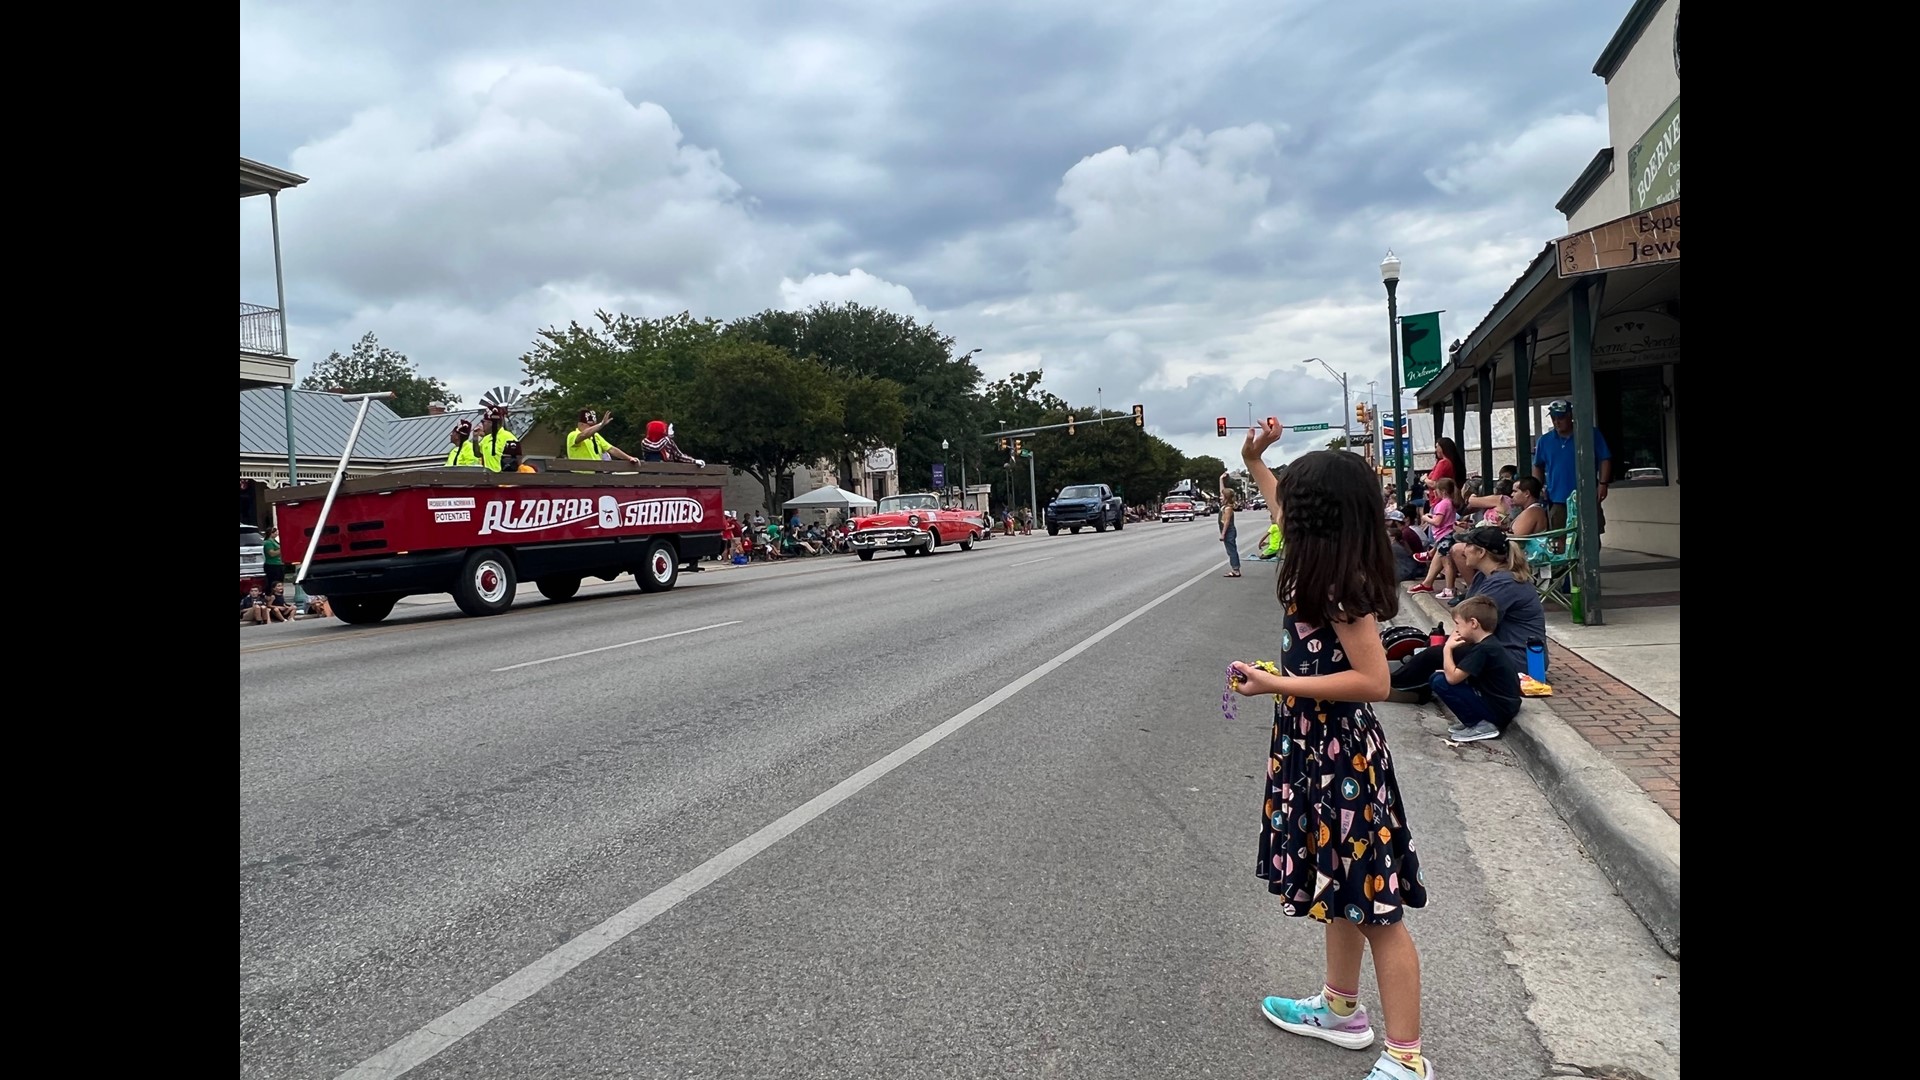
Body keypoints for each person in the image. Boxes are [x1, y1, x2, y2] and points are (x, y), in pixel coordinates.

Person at [1231, 421, 1432, 1080]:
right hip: (1312, 751)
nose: (1281, 499)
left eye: (1294, 494)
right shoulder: (1311, 554)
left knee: (1374, 905)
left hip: (1341, 760)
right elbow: (1278, 504)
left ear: (1318, 514)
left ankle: (1406, 1058)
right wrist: (1254, 459)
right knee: (1337, 889)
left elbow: (1374, 681)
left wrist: (1275, 683)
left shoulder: (1341, 585)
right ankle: (1341, 1010)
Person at [1391, 525, 1545, 700]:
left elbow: (1471, 624)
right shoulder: (1484, 576)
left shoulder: (1504, 583)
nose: (1462, 550)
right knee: (1434, 644)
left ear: (1481, 552)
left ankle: (1392, 687)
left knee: (1436, 653)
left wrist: (1448, 645)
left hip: (1517, 658)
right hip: (1497, 649)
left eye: (1467, 545)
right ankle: (1415, 687)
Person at [1431, 594, 1523, 744]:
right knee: (1437, 677)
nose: (1456, 630)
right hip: (1502, 705)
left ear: (1473, 623)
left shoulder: (1484, 649)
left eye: (1458, 624)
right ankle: (1476, 720)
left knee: (1441, 682)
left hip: (1498, 711)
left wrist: (1447, 649)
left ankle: (1481, 724)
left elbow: (1452, 679)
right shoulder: (1488, 644)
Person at [1532, 400, 1611, 534]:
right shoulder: (1544, 441)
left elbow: (1605, 458)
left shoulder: (1589, 434)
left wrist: (1603, 483)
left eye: (1561, 418)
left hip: (1587, 496)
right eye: (1553, 418)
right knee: (1559, 538)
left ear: (1570, 415)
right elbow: (1537, 465)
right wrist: (1538, 487)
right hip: (1557, 498)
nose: (1557, 422)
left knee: (1591, 536)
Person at [567, 409, 639, 472]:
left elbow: (611, 449)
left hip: (596, 475)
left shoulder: (596, 436)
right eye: (590, 425)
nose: (594, 428)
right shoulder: (573, 435)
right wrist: (601, 425)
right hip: (579, 477)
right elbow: (584, 435)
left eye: (594, 425)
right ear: (581, 424)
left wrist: (629, 458)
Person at [639, 420, 704, 465]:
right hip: (650, 474)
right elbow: (656, 447)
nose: (665, 432)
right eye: (664, 430)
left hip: (667, 473)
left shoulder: (667, 441)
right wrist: (668, 437)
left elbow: (679, 455)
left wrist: (694, 461)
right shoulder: (645, 442)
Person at [1218, 471, 1241, 578]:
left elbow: (1226, 522)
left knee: (1231, 550)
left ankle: (1236, 570)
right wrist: (1221, 479)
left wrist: (1223, 534)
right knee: (1230, 550)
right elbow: (1221, 489)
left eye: (1222, 496)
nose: (1220, 497)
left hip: (1228, 531)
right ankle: (1235, 568)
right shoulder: (1225, 505)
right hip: (1226, 530)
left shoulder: (1228, 508)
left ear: (1226, 497)